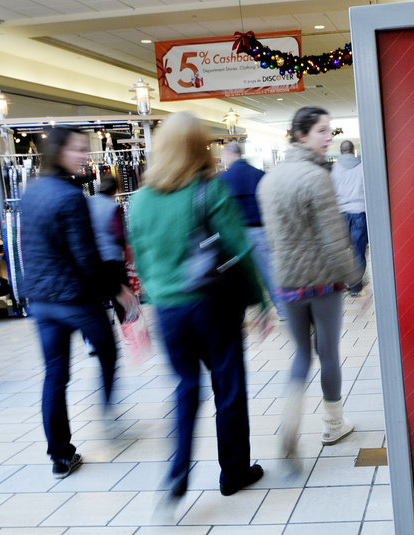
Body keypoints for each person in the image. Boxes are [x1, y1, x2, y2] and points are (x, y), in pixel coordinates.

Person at [128, 112, 269, 499]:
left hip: (169, 311)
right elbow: (239, 250)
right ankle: (234, 472)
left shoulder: (139, 200)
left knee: (185, 387)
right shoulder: (209, 189)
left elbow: (140, 259)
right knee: (228, 386)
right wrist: (261, 303)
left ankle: (176, 473)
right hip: (212, 305)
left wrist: (153, 301)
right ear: (198, 148)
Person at [20, 127, 136, 479]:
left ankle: (59, 455)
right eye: (77, 149)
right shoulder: (71, 197)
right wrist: (118, 289)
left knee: (55, 375)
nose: (84, 155)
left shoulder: (30, 193)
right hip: (74, 298)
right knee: (108, 351)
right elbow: (86, 256)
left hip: (41, 300)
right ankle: (108, 411)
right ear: (59, 152)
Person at [257, 106, 363, 464]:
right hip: (321, 282)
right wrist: (354, 279)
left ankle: (290, 419)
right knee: (328, 353)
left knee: (302, 354)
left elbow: (273, 238)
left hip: (286, 282)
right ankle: (333, 424)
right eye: (321, 130)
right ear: (300, 134)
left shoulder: (268, 181)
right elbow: (334, 239)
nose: (326, 138)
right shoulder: (317, 177)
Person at [219, 142, 285, 319]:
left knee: (236, 277)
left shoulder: (222, 180)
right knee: (269, 272)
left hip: (235, 235)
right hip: (260, 231)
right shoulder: (259, 175)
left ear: (228, 155)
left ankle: (237, 316)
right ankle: (282, 310)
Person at [87, 174, 130, 323]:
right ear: (114, 190)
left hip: (93, 259)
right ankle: (128, 329)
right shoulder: (114, 207)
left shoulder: (87, 202)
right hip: (113, 259)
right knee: (121, 298)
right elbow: (120, 235)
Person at [330, 140, 368, 296]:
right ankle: (355, 287)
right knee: (358, 251)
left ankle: (342, 283)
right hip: (359, 212)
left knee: (341, 251)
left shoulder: (334, 169)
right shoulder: (362, 167)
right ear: (353, 151)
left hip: (340, 214)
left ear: (340, 152)